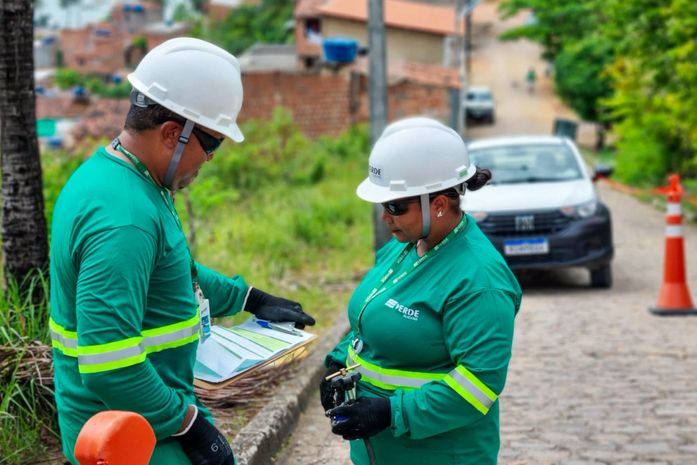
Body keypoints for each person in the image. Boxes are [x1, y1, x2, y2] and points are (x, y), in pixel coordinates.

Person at [49, 38, 315, 465]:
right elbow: (109, 363)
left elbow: (172, 269)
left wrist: (249, 299)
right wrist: (189, 424)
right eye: (212, 144)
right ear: (173, 133)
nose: (210, 159)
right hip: (132, 440)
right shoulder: (124, 218)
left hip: (145, 425)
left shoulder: (124, 179)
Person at [319, 117, 521, 465]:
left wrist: (390, 412)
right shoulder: (408, 246)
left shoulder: (479, 280)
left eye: (396, 207)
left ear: (439, 204)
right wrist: (339, 361)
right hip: (382, 452)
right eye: (383, 205)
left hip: (438, 453)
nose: (386, 217)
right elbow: (372, 314)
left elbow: (479, 385)